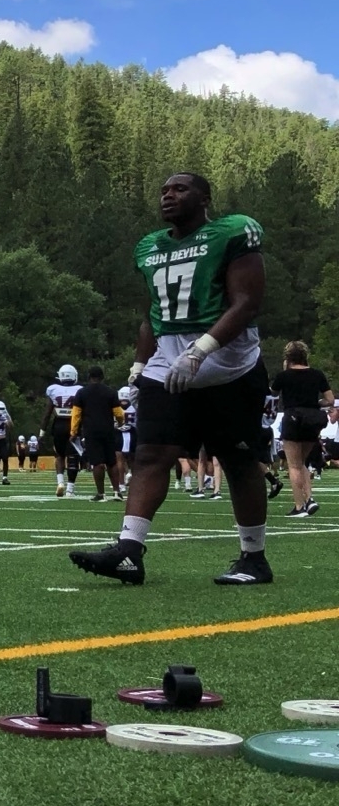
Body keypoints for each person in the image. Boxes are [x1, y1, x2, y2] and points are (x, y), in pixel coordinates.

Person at [71, 173, 271, 586]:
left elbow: (248, 302)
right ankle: (129, 551)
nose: (168, 195)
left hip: (228, 360)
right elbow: (154, 313)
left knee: (237, 459)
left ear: (204, 198)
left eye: (179, 189)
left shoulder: (232, 232)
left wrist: (201, 350)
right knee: (150, 455)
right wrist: (140, 366)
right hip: (169, 360)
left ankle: (254, 557)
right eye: (163, 189)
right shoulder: (151, 247)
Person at [274, 341, 333, 518]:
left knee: (293, 465)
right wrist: (314, 403)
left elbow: (273, 395)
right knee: (302, 463)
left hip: (293, 418)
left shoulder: (284, 376)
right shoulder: (317, 375)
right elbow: (329, 400)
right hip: (312, 419)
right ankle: (310, 499)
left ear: (288, 357)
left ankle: (299, 506)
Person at [69, 367, 122, 501]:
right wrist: (120, 423)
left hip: (91, 431)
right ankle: (117, 492)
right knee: (112, 462)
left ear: (89, 377)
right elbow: (119, 413)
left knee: (97, 463)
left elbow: (76, 415)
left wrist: (73, 432)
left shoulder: (82, 393)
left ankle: (101, 493)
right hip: (108, 429)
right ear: (102, 377)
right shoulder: (110, 392)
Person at [47, 365, 82, 497]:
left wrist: (42, 431)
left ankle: (60, 482)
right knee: (73, 457)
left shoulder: (53, 390)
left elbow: (47, 413)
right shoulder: (80, 390)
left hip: (58, 425)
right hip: (73, 424)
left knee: (59, 455)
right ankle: (70, 489)